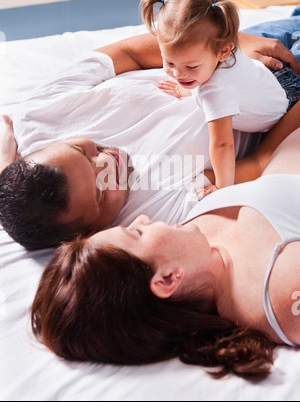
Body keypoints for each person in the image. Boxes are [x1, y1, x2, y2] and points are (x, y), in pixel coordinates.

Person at [31, 128, 300, 381]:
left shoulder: (193, 236)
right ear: (168, 279)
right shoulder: (283, 292)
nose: (143, 219)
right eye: (136, 233)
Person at [1, 27, 300, 250]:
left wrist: (231, 44)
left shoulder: (36, 117)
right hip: (287, 104)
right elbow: (262, 163)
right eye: (101, 189)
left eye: (82, 150)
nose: (107, 161)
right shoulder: (155, 217)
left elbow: (126, 53)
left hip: (224, 47)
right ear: (88, 235)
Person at [140, 0, 300, 199]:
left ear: (224, 52)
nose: (177, 73)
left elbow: (223, 144)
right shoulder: (218, 46)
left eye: (191, 67)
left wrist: (223, 188)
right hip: (271, 78)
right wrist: (189, 88)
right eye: (169, 62)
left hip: (289, 98)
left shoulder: (216, 91)